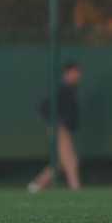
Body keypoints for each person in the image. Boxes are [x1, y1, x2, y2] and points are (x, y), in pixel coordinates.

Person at [27, 61, 82, 193]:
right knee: (70, 160)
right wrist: (56, 123)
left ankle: (36, 186)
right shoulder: (62, 88)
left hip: (64, 129)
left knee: (61, 163)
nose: (78, 75)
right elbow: (43, 107)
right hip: (60, 129)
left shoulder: (70, 89)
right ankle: (75, 189)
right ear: (67, 73)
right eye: (75, 72)